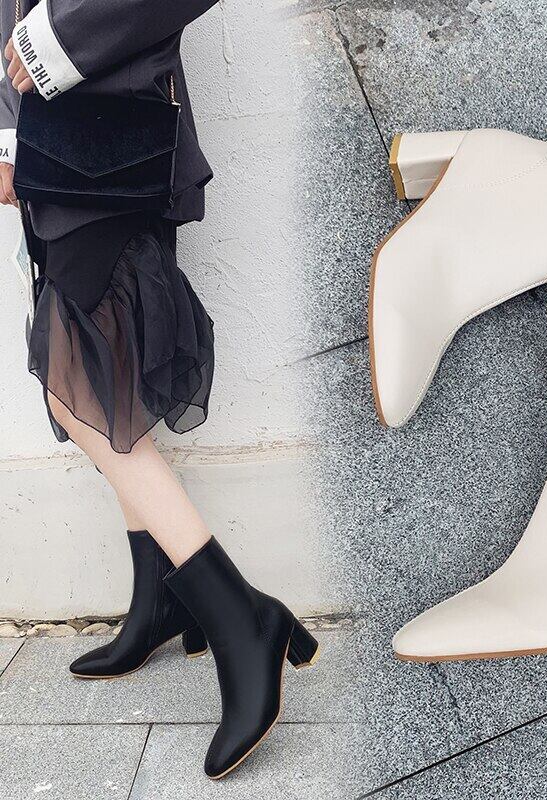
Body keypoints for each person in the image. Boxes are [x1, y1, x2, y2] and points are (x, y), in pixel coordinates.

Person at [0, 0, 318, 780]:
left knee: (77, 391)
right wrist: (8, 130)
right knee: (106, 382)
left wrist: (49, 44)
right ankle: (160, 599)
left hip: (107, 128)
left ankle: (244, 617)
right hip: (60, 140)